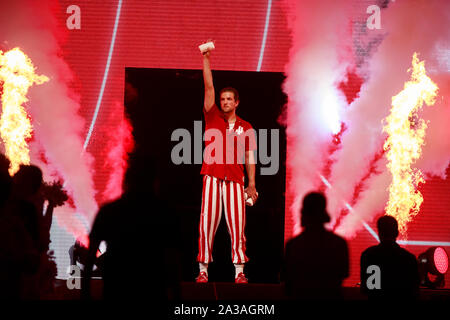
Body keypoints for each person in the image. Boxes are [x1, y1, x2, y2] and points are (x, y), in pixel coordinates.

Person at [196, 41, 258, 284]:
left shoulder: (247, 127)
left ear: (237, 102)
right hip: (211, 176)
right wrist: (206, 59)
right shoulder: (212, 116)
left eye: (229, 99)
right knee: (207, 224)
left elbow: (250, 157)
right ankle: (203, 270)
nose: (224, 102)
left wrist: (251, 184)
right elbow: (208, 85)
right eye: (222, 99)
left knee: (237, 226)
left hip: (234, 180)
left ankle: (239, 272)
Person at [284, 192, 349, 299]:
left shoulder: (293, 245)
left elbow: (288, 282)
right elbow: (343, 274)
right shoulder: (339, 243)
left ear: (303, 212)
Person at [360, 215, 420, 300]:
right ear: (396, 233)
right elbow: (414, 291)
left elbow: (366, 289)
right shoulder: (409, 258)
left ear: (379, 233)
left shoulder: (368, 255)